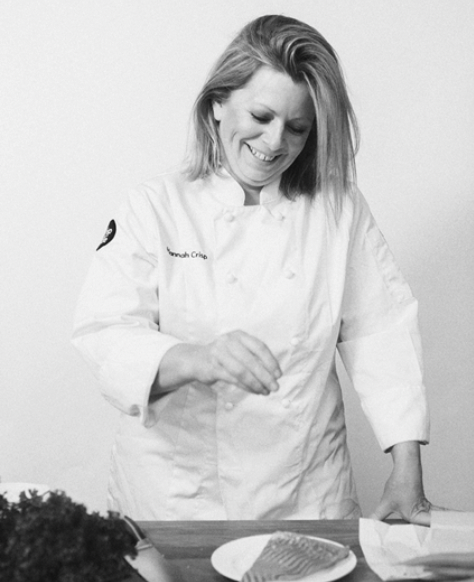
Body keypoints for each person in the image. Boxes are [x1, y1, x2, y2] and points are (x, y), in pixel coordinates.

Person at [72, 14, 440, 523]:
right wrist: (198, 358)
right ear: (218, 103)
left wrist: (407, 471)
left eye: (297, 128)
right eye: (261, 116)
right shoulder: (156, 206)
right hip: (177, 500)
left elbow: (383, 334)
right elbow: (104, 332)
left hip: (306, 494)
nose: (274, 143)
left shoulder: (339, 210)